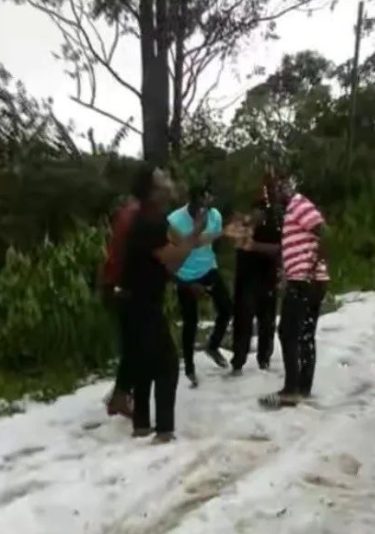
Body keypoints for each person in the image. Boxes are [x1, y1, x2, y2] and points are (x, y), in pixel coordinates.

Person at [120, 168, 205, 442]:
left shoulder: (145, 219)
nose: (169, 181)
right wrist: (194, 235)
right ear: (153, 192)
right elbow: (172, 258)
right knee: (167, 365)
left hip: (131, 300)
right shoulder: (150, 223)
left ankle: (142, 425)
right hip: (142, 303)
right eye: (161, 179)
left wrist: (190, 241)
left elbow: (165, 264)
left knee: (145, 362)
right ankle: (164, 432)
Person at [260, 176, 329, 409]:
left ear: (286, 187)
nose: (273, 195)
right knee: (304, 334)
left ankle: (291, 390)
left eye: (276, 189)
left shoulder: (298, 204)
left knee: (288, 332)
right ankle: (302, 388)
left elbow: (324, 232)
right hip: (308, 279)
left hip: (304, 281)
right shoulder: (292, 211)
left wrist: (310, 268)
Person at [168, 185, 233, 387]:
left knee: (227, 308)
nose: (205, 208)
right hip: (185, 274)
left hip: (208, 268)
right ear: (191, 200)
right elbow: (192, 243)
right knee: (190, 321)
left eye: (208, 203)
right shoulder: (175, 220)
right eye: (200, 203)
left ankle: (212, 346)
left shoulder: (215, 215)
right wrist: (220, 232)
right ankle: (189, 368)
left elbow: (213, 246)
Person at [231, 177, 282, 375]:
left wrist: (254, 246)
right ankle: (237, 363)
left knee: (267, 322)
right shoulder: (244, 223)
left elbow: (279, 249)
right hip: (246, 280)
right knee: (242, 321)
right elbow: (235, 237)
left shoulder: (275, 221)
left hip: (267, 277)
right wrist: (247, 224)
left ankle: (264, 361)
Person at [99, 195, 140, 419]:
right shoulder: (134, 214)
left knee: (133, 347)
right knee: (138, 347)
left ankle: (120, 395)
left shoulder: (129, 213)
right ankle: (120, 397)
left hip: (118, 287)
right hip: (126, 289)